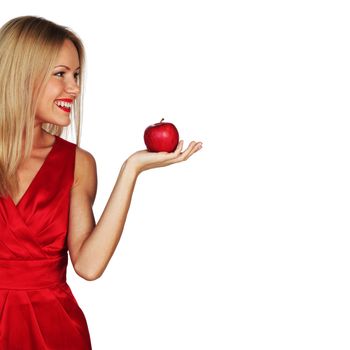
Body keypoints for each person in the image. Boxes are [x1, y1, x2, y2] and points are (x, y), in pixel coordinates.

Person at [0, 15, 202, 349]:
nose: (75, 88)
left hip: (54, 333)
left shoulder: (77, 163)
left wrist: (131, 169)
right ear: (22, 75)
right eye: (61, 74)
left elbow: (89, 266)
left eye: (76, 75)